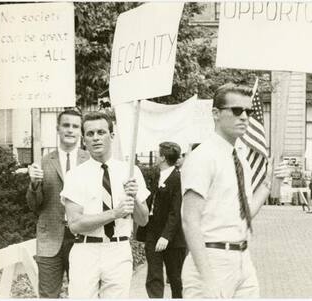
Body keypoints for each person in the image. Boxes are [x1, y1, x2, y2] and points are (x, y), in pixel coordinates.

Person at [180, 83, 274, 298]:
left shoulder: (240, 157)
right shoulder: (203, 157)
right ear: (216, 113)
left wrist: (268, 184)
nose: (244, 117)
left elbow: (245, 212)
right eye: (236, 110)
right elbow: (189, 220)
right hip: (211, 257)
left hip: (242, 258)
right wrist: (207, 277)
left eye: (248, 112)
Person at [60, 112, 150, 298]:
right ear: (84, 139)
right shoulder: (75, 176)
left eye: (101, 132)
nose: (96, 138)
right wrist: (115, 213)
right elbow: (75, 224)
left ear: (112, 135)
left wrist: (135, 198)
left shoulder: (130, 172)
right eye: (90, 134)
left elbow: (143, 220)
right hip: (86, 250)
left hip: (119, 249)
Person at [26, 109, 89, 298]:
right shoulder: (42, 162)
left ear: (80, 132)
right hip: (50, 240)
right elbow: (33, 206)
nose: (70, 130)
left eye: (75, 126)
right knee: (48, 295)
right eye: (66, 125)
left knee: (83, 294)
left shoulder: (90, 162)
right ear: (58, 129)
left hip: (83, 238)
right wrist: (34, 184)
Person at [143, 142, 186, 298]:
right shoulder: (154, 176)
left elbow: (176, 211)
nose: (155, 156)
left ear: (162, 157)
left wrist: (166, 236)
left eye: (157, 153)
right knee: (154, 275)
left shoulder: (178, 179)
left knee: (175, 279)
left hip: (173, 237)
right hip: (152, 232)